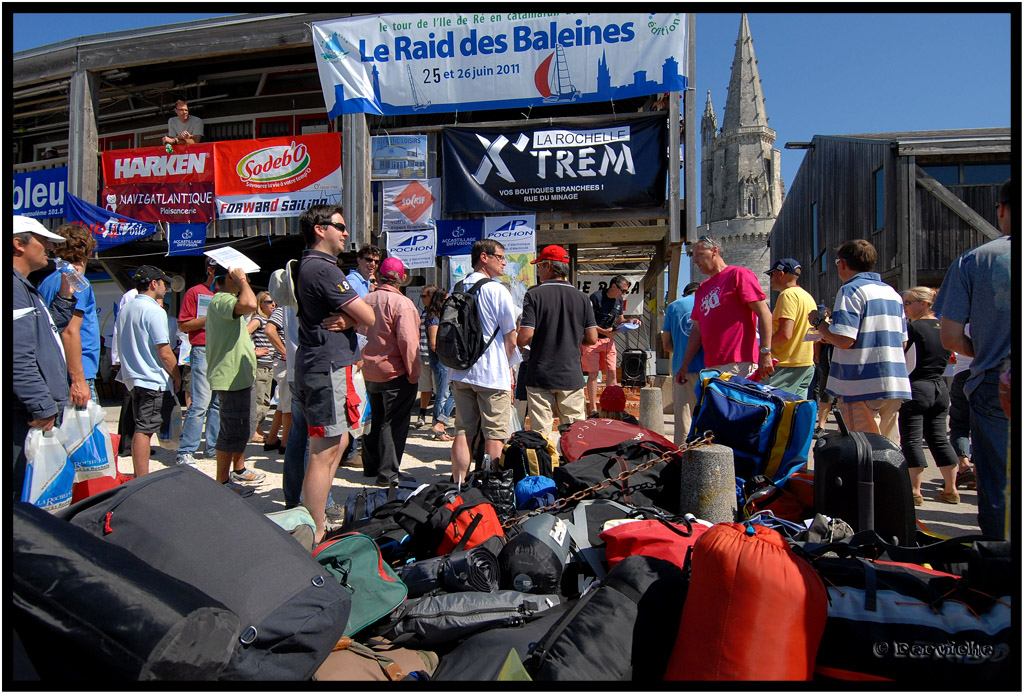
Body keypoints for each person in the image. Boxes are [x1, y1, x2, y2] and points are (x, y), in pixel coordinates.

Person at [933, 178, 1012, 539]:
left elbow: (950, 337)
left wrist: (986, 350)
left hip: (999, 381)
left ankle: (1004, 573)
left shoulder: (974, 260)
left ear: (1001, 210)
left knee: (998, 482)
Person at [294, 204, 375, 541]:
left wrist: (350, 319)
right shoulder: (324, 269)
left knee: (338, 442)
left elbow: (361, 316)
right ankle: (314, 530)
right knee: (324, 451)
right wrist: (355, 317)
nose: (345, 234)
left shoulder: (317, 266)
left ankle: (317, 524)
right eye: (340, 227)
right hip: (326, 367)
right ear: (319, 229)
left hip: (328, 365)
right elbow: (369, 316)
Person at [813, 239, 911, 440]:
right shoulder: (892, 293)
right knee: (890, 450)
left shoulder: (851, 290)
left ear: (842, 264)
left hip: (860, 384)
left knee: (864, 448)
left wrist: (819, 323)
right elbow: (902, 342)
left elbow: (844, 340)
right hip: (893, 381)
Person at [13, 216, 77, 498]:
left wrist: (64, 299)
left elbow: (46, 335)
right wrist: (43, 406)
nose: (50, 247)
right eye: (43, 240)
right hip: (21, 414)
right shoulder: (13, 288)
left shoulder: (24, 286)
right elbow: (17, 357)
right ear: (18, 244)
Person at [448, 239, 519, 485]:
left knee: (462, 430)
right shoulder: (498, 290)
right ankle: (491, 488)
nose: (504, 262)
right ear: (484, 257)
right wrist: (509, 370)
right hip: (491, 372)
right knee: (495, 434)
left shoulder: (456, 287)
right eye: (500, 256)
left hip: (460, 371)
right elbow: (511, 337)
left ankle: (458, 484)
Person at [517, 245, 598, 436]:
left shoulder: (534, 295)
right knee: (575, 435)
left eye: (539, 266)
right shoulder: (582, 298)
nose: (537, 270)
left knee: (540, 434)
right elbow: (592, 338)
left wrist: (518, 340)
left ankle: (545, 466)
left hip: (540, 373)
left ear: (548, 266)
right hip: (570, 374)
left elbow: (526, 335)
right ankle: (573, 465)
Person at [355, 257, 421, 486]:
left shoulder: (366, 300)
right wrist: (414, 375)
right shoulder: (402, 304)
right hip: (395, 372)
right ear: (401, 279)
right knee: (393, 423)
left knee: (375, 420)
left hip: (369, 371)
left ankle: (370, 467)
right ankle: (388, 473)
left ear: (380, 276)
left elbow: (359, 334)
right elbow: (409, 343)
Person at [677, 235, 774, 384]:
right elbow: (697, 330)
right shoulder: (703, 288)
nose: (695, 261)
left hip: (739, 361)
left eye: (700, 255)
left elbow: (764, 313)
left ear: (714, 251)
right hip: (711, 365)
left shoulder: (738, 275)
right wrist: (685, 365)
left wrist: (765, 352)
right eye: (694, 257)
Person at [113, 265, 181, 477]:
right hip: (152, 378)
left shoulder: (126, 308)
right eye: (163, 283)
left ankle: (138, 473)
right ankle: (141, 477)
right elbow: (164, 351)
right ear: (154, 284)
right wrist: (177, 375)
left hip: (132, 377)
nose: (165, 287)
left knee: (140, 427)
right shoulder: (154, 311)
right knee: (144, 430)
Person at [898, 287, 960, 505]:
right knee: (940, 439)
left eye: (908, 303)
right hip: (939, 386)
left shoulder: (913, 328)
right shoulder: (943, 327)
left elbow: (902, 354)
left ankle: (915, 491)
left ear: (923, 303)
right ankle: (951, 488)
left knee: (912, 439)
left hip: (917, 386)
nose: (905, 307)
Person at [206, 267, 264, 494]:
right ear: (229, 278)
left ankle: (236, 471)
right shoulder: (221, 300)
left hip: (237, 376)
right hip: (229, 377)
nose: (247, 280)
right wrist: (241, 280)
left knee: (241, 428)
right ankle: (222, 483)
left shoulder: (225, 301)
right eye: (244, 276)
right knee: (230, 431)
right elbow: (250, 304)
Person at [37, 223, 100, 406]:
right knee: (83, 432)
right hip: (77, 372)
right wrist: (78, 380)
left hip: (54, 369)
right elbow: (70, 331)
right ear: (87, 249)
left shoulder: (48, 281)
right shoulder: (76, 280)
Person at [176, 257, 220, 466]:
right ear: (210, 270)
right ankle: (186, 450)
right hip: (202, 348)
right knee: (200, 402)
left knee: (218, 403)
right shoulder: (195, 292)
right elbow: (184, 325)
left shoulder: (229, 294)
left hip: (223, 351)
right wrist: (211, 317)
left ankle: (212, 448)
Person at [582, 275, 640, 414]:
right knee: (593, 374)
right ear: (614, 286)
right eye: (623, 290)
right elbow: (586, 321)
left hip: (609, 341)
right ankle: (594, 408)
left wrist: (631, 321)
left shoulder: (619, 300)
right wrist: (603, 331)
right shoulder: (595, 298)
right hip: (593, 340)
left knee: (612, 372)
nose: (624, 294)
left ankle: (610, 406)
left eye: (626, 292)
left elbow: (620, 319)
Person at [762, 258, 817, 397]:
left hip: (786, 364)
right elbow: (815, 335)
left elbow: (785, 334)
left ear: (780, 274)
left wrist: (763, 349)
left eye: (772, 275)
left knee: (773, 408)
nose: (771, 279)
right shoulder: (808, 297)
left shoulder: (787, 295)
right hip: (806, 363)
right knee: (796, 412)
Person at [662, 281, 705, 442]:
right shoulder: (710, 303)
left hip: (682, 369)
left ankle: (682, 459)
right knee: (708, 416)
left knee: (683, 418)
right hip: (711, 368)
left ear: (684, 294)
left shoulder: (673, 307)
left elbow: (666, 344)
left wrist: (682, 350)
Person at [247, 290, 279, 444]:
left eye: (274, 302)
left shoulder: (269, 320)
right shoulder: (258, 320)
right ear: (260, 304)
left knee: (265, 399)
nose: (273, 304)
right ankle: (253, 431)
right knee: (259, 399)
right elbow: (243, 334)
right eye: (269, 302)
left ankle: (257, 428)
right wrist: (253, 351)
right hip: (261, 365)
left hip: (269, 365)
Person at [425, 287, 456, 441]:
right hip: (440, 360)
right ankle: (438, 427)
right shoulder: (433, 318)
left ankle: (440, 423)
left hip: (445, 360)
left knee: (450, 392)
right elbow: (433, 343)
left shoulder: (443, 316)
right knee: (443, 394)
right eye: (445, 300)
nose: (447, 302)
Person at [263, 297, 290, 454]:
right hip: (285, 364)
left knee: (282, 406)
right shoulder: (283, 309)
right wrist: (285, 351)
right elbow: (269, 330)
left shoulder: (282, 309)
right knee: (289, 407)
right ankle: (285, 445)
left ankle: (272, 439)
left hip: (281, 363)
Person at [414, 285, 438, 429]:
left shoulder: (437, 313)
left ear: (431, 296)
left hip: (434, 355)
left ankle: (437, 418)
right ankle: (422, 415)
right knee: (425, 388)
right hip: (422, 353)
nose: (422, 299)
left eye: (424, 296)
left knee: (439, 389)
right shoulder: (424, 312)